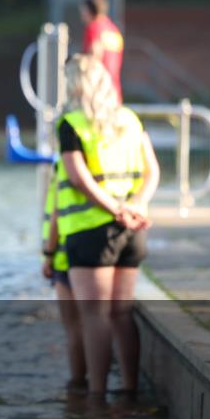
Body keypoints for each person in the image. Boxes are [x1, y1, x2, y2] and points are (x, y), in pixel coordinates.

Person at [55, 54, 159, 396]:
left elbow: (80, 179)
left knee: (94, 316)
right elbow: (152, 170)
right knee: (121, 313)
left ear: (72, 85)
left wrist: (116, 209)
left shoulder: (71, 123)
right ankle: (130, 389)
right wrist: (137, 206)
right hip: (132, 231)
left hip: (90, 232)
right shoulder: (129, 119)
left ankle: (96, 398)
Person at [40, 161, 87, 393]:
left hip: (66, 253)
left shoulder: (66, 163)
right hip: (104, 242)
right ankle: (106, 388)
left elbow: (58, 212)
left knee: (74, 328)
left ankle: (79, 385)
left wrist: (48, 253)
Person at [80, 0, 124, 101]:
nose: (81, 14)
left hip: (98, 94)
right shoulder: (114, 30)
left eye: (83, 10)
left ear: (89, 10)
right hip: (114, 92)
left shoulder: (94, 28)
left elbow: (94, 56)